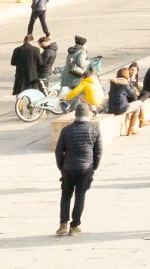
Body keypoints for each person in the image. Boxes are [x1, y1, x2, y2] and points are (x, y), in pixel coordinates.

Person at [53, 100, 101, 237]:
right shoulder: (94, 129)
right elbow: (98, 151)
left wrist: (61, 167)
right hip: (86, 168)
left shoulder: (66, 130)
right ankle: (74, 226)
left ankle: (63, 223)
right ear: (87, 115)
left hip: (68, 168)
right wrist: (94, 167)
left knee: (66, 195)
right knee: (80, 196)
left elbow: (58, 151)